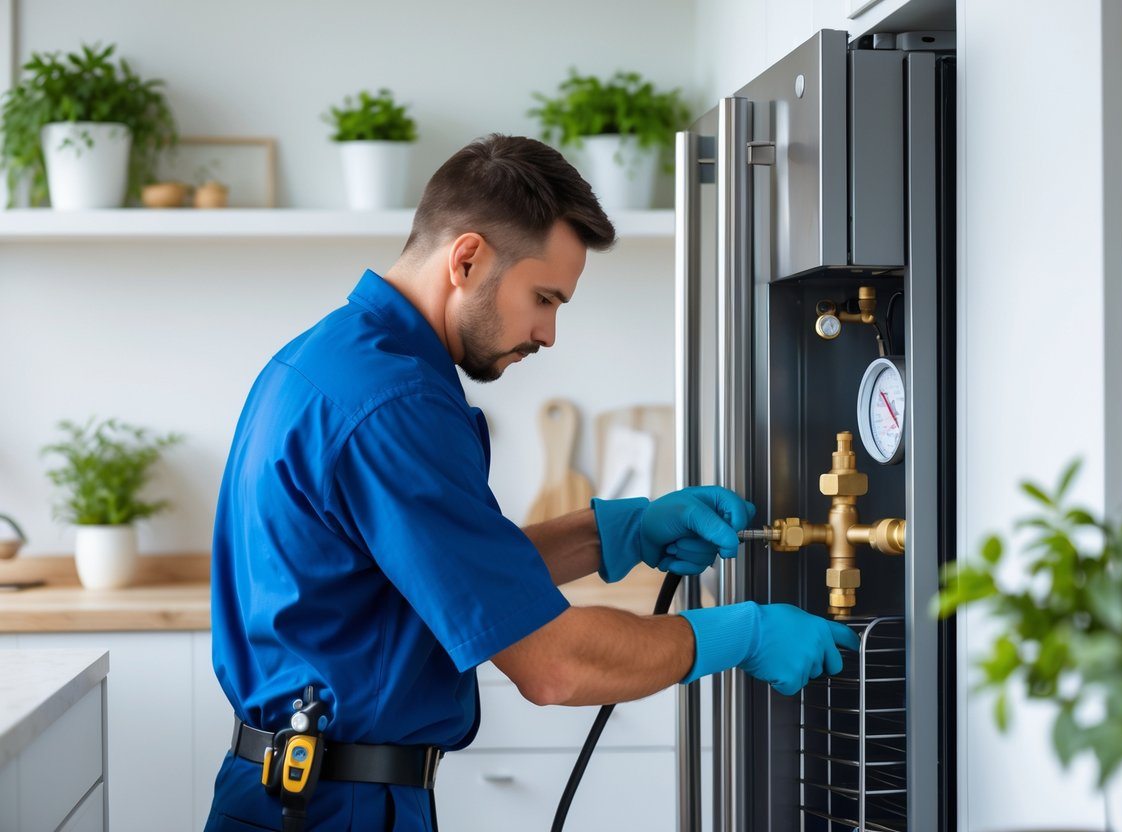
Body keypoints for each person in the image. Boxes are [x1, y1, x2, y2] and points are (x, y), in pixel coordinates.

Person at [203, 134, 859, 831]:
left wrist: (625, 532)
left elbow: (451, 577)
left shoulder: (335, 359)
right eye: (543, 298)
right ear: (466, 259)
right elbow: (554, 666)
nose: (548, 333)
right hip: (334, 806)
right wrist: (743, 634)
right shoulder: (392, 405)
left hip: (299, 792)